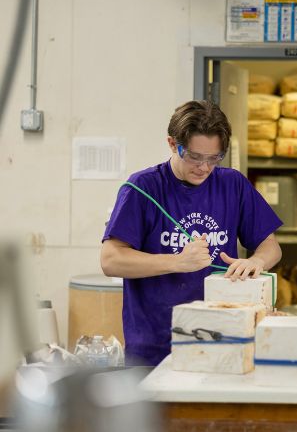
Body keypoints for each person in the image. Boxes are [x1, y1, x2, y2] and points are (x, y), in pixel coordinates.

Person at [101, 100, 282, 366]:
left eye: (213, 158)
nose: (204, 168)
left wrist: (256, 262)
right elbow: (110, 260)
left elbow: (271, 246)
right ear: (173, 144)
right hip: (156, 345)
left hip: (223, 339)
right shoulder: (142, 188)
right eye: (195, 157)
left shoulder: (232, 185)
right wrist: (177, 262)